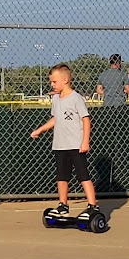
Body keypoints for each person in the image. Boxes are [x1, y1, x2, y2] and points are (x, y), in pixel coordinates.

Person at [28, 63, 94, 215]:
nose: (52, 84)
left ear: (65, 80)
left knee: (83, 175)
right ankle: (63, 205)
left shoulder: (76, 98)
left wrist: (85, 141)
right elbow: (55, 118)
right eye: (51, 82)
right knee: (62, 176)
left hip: (76, 145)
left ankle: (92, 206)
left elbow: (86, 120)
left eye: (54, 81)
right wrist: (41, 129)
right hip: (60, 145)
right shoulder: (56, 99)